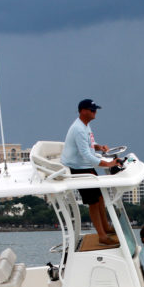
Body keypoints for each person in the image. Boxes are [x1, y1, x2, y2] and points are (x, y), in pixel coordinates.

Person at [60, 98, 120, 246]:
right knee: (93, 202)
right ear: (83, 111)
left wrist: (99, 147)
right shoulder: (79, 129)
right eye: (92, 110)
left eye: (95, 109)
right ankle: (102, 236)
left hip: (85, 165)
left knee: (99, 198)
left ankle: (106, 227)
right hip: (78, 168)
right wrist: (108, 163)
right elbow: (86, 154)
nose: (95, 112)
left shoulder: (85, 126)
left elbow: (90, 145)